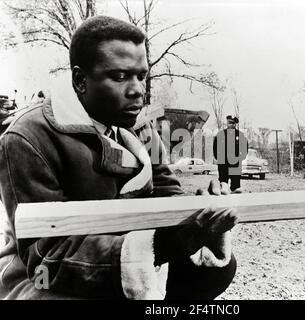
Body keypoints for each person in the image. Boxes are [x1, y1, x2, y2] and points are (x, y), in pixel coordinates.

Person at [0, 16, 238, 300]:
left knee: (212, 268)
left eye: (141, 75)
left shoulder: (139, 125)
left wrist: (198, 212)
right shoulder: (28, 138)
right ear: (80, 80)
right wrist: (159, 246)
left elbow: (166, 191)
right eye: (120, 76)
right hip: (44, 276)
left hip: (127, 254)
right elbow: (46, 256)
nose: (137, 89)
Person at [213, 115, 248, 193]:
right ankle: (222, 203)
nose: (231, 125)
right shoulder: (220, 134)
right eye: (229, 123)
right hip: (223, 163)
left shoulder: (240, 135)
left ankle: (235, 203)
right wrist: (218, 158)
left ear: (235, 124)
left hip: (235, 164)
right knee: (223, 185)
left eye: (233, 123)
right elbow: (215, 147)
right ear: (227, 123)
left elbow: (245, 148)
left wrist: (240, 158)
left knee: (236, 188)